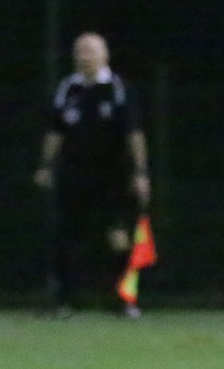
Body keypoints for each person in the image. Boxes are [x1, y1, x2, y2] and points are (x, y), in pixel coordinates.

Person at [34, 32, 151, 318]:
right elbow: (55, 132)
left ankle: (125, 300)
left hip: (113, 173)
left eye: (90, 51)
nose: (83, 56)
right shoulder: (67, 89)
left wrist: (140, 172)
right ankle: (63, 302)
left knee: (119, 236)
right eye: (79, 51)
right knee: (65, 236)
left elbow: (133, 133)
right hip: (74, 173)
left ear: (104, 55)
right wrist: (46, 166)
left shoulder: (117, 88)